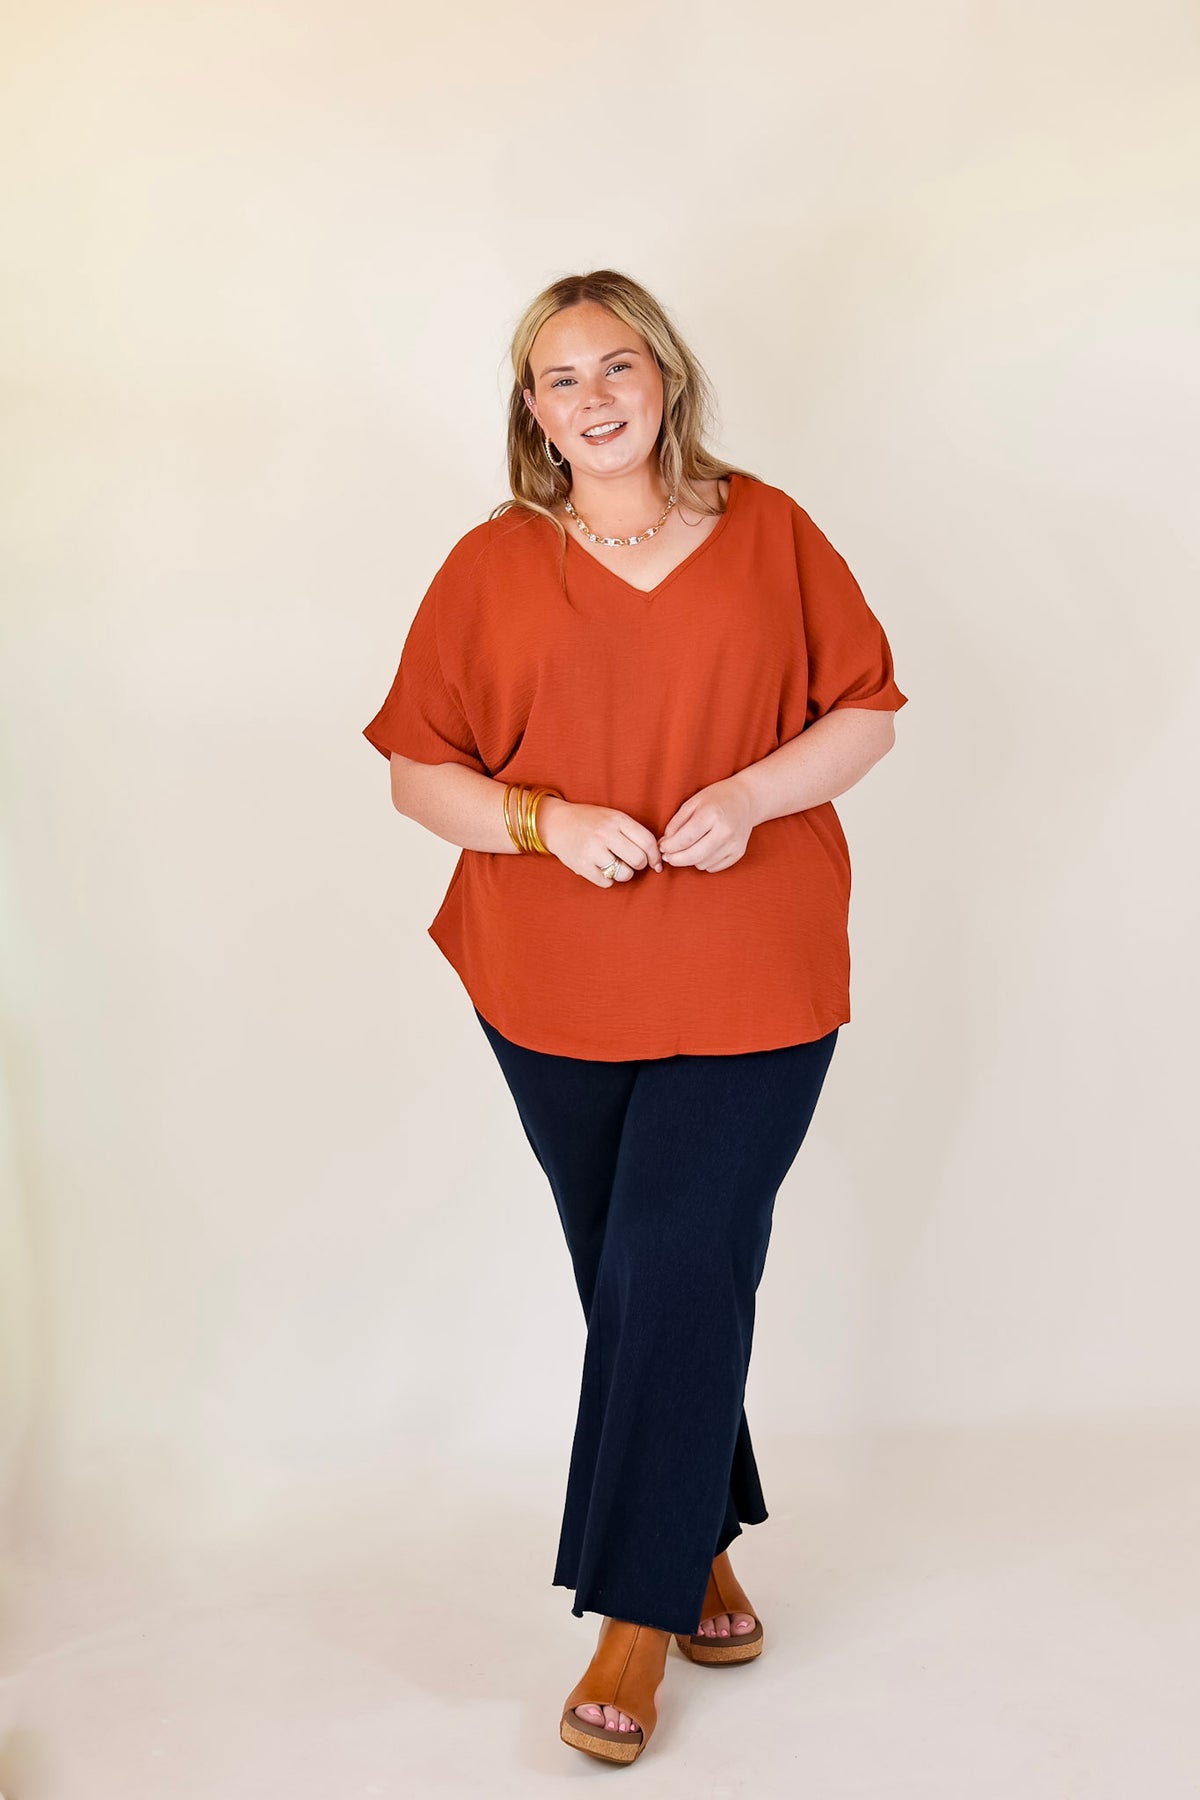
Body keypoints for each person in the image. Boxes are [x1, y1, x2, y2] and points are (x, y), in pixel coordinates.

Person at [362, 269, 909, 1765]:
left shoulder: (772, 531)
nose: (594, 397)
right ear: (532, 412)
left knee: (672, 1252)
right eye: (561, 378)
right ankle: (702, 1546)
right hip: (553, 980)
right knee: (643, 1277)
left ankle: (632, 1614)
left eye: (618, 365)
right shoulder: (491, 565)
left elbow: (864, 707)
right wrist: (544, 821)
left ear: (666, 377)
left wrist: (753, 794)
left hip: (755, 964)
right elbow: (417, 772)